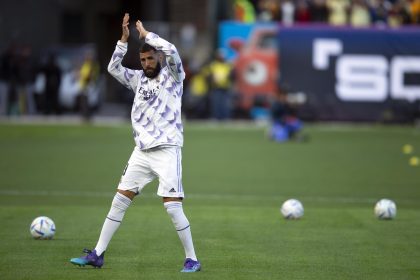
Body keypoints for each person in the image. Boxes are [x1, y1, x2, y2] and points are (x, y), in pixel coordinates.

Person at [70, 13, 201, 273]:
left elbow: (173, 49)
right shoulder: (138, 79)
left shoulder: (174, 77)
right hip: (141, 152)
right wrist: (123, 41)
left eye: (150, 58)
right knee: (119, 201)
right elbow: (112, 69)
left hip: (167, 149)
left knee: (173, 207)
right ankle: (97, 254)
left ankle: (192, 259)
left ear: (159, 58)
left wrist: (147, 35)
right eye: (142, 59)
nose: (146, 63)